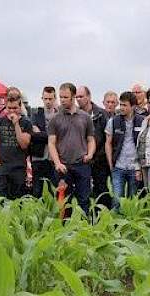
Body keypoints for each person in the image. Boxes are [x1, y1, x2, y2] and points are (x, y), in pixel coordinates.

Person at [48, 82, 96, 211]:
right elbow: (51, 143)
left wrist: (90, 154)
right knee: (63, 202)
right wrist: (57, 163)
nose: (62, 100)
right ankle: (64, 228)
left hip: (82, 165)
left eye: (65, 97)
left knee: (84, 200)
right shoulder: (55, 118)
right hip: (63, 166)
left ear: (73, 96)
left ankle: (85, 227)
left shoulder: (85, 117)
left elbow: (91, 140)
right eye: (61, 97)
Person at [104, 90, 145, 208]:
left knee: (132, 202)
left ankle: (130, 224)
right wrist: (111, 163)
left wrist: (141, 167)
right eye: (120, 104)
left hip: (135, 168)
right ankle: (115, 225)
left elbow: (144, 145)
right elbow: (108, 143)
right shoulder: (113, 121)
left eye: (124, 105)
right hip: (119, 166)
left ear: (133, 106)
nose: (121, 107)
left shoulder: (142, 121)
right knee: (117, 200)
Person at [0, 93, 33, 200]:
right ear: (5, 107)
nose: (12, 111)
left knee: (16, 199)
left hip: (18, 167)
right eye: (9, 108)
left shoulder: (26, 123)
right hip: (2, 166)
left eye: (15, 108)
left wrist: (16, 124)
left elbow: (24, 145)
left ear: (20, 107)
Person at [76, 86, 112, 209]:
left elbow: (107, 138)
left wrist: (98, 155)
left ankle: (103, 214)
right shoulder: (75, 115)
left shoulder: (102, 114)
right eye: (77, 97)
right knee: (83, 189)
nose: (78, 99)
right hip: (82, 159)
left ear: (89, 96)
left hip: (99, 159)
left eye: (81, 96)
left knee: (101, 189)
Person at [29, 86, 58, 197]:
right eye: (45, 99)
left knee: (53, 189)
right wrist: (51, 136)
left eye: (50, 99)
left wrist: (41, 133)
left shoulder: (59, 115)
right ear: (42, 98)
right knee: (37, 190)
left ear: (55, 99)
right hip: (38, 157)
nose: (48, 102)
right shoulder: (35, 114)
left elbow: (60, 135)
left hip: (54, 158)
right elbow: (34, 135)